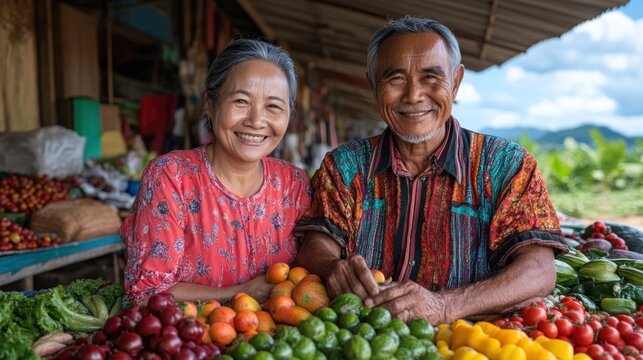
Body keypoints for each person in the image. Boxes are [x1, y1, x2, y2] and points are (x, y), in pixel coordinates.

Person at [294, 17, 567, 324]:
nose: (413, 95)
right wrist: (333, 267)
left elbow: (540, 270)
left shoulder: (508, 166)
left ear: (456, 82)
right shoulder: (344, 166)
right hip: (365, 341)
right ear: (373, 85)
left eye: (431, 78)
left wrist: (445, 306)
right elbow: (315, 247)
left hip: (470, 346)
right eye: (395, 79)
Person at [120, 39, 311, 305]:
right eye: (241, 101)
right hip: (194, 343)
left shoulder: (295, 184)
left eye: (273, 106)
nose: (256, 121)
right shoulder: (172, 177)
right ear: (210, 104)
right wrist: (240, 293)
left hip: (282, 343)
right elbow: (146, 294)